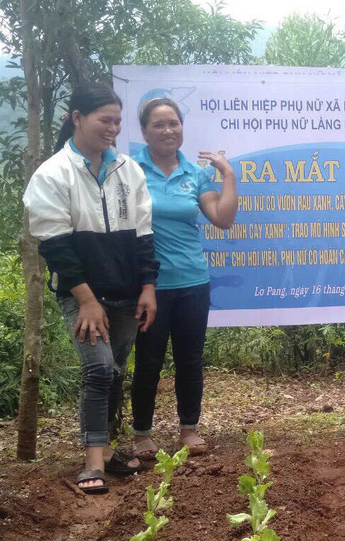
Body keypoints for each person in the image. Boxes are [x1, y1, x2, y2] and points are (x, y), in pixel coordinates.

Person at [24, 84, 158, 494]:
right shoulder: (53, 173)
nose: (113, 129)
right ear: (76, 117)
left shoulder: (128, 171)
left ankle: (110, 450)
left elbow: (144, 236)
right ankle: (93, 461)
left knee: (115, 372)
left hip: (126, 293)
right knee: (98, 367)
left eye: (118, 121)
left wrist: (148, 288)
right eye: (105, 120)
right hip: (82, 296)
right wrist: (85, 300)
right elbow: (56, 245)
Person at [130, 98, 238, 459]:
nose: (167, 130)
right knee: (148, 362)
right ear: (144, 131)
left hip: (193, 281)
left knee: (190, 360)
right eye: (159, 125)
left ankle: (188, 429)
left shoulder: (195, 173)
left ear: (182, 128)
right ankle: (142, 434)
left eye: (173, 123)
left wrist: (228, 175)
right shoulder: (131, 170)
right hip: (149, 286)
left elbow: (222, 218)